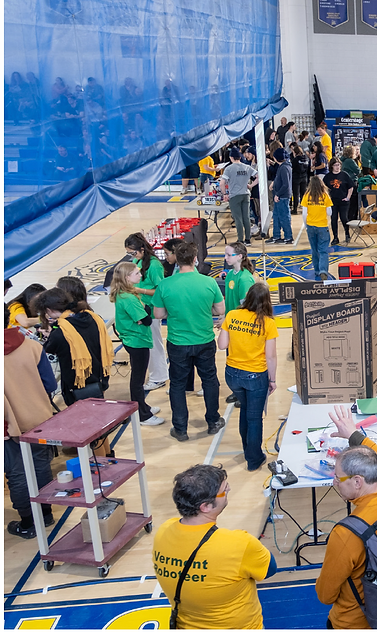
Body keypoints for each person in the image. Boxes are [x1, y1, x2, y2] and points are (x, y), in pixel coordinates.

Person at [315, 405, 377, 628]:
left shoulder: (345, 534)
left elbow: (325, 595)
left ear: (357, 481)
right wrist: (354, 435)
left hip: (356, 623)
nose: (334, 482)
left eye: (339, 478)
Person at [154, 464, 275, 628]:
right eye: (225, 490)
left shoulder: (163, 531)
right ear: (205, 506)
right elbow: (269, 569)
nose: (229, 490)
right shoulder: (238, 543)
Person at [152, 241, 226, 442]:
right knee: (210, 380)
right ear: (195, 259)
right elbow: (220, 310)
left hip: (178, 342)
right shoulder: (209, 283)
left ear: (176, 260)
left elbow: (158, 314)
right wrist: (205, 310)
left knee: (177, 385)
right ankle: (213, 421)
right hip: (204, 340)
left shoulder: (165, 285)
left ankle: (180, 428)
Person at [5, 316, 58, 539]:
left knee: (17, 473)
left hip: (9, 426)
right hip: (39, 418)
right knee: (40, 465)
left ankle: (28, 522)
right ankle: (46, 513)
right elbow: (50, 384)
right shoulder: (31, 345)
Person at [217, 283, 278, 471]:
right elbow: (271, 356)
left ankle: (247, 449)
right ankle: (254, 458)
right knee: (254, 417)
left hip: (232, 374)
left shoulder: (232, 315)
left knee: (245, 411)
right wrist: (273, 380)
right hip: (255, 376)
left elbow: (221, 345)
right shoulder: (268, 323)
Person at [33, 287, 111, 406]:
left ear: (49, 310)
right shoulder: (93, 317)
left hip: (77, 385)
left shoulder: (60, 332)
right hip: (100, 377)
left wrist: (50, 335)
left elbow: (47, 349)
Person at [109, 262, 164, 427]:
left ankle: (143, 406)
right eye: (137, 274)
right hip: (136, 340)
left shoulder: (126, 293)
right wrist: (144, 313)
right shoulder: (128, 298)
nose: (140, 276)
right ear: (127, 277)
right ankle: (142, 415)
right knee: (138, 378)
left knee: (138, 376)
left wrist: (144, 313)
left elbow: (146, 311)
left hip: (135, 338)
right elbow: (147, 319)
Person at [124, 233, 169, 390]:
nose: (131, 256)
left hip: (151, 310)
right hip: (141, 308)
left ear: (142, 249)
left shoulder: (154, 265)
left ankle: (159, 377)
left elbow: (160, 289)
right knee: (148, 343)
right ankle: (156, 373)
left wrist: (139, 290)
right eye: (128, 254)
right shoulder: (138, 261)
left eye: (133, 253)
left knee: (154, 344)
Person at [221, 148, 258, 244]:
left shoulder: (229, 169)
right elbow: (259, 176)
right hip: (245, 194)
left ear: (231, 157)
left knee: (238, 218)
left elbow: (222, 183)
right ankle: (248, 239)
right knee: (246, 217)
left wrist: (224, 194)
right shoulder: (247, 167)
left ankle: (240, 239)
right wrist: (251, 185)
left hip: (235, 196)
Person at [302, 176, 334, 281]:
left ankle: (316, 270)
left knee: (314, 250)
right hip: (322, 226)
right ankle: (323, 271)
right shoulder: (325, 196)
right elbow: (330, 212)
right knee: (323, 250)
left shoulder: (306, 196)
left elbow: (304, 214)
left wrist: (306, 226)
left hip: (311, 226)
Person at [324, 158, 355, 245]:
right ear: (332, 166)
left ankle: (347, 233)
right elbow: (324, 188)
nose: (337, 167)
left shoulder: (344, 175)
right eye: (335, 165)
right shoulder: (328, 176)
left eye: (339, 165)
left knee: (344, 218)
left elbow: (351, 187)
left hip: (343, 201)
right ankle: (335, 237)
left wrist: (348, 197)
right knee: (333, 219)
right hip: (332, 201)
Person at [269, 148, 293, 244]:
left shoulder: (284, 168)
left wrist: (278, 194)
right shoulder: (282, 166)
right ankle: (276, 236)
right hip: (279, 195)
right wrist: (274, 185)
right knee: (277, 216)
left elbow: (286, 184)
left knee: (284, 217)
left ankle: (288, 236)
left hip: (282, 196)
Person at [222, 242, 256, 312]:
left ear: (239, 256)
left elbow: (246, 307)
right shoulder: (230, 274)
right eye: (225, 254)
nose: (225, 258)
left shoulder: (245, 279)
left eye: (229, 255)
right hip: (230, 318)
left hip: (238, 321)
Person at [291, 144, 311, 215]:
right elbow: (308, 168)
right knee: (303, 194)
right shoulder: (305, 158)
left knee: (296, 194)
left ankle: (295, 209)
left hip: (296, 178)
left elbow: (292, 168)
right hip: (304, 177)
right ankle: (305, 208)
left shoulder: (295, 160)